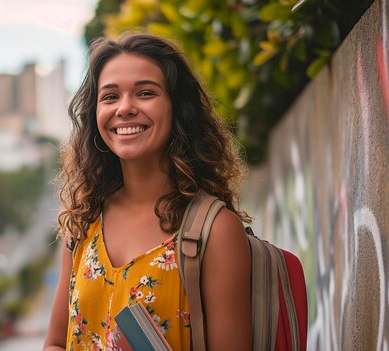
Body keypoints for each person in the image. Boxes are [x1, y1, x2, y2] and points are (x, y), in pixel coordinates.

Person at [44, 32, 252, 351]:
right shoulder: (83, 224)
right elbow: (56, 343)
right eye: (110, 96)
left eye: (145, 93)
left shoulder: (215, 230)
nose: (125, 108)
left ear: (176, 107)